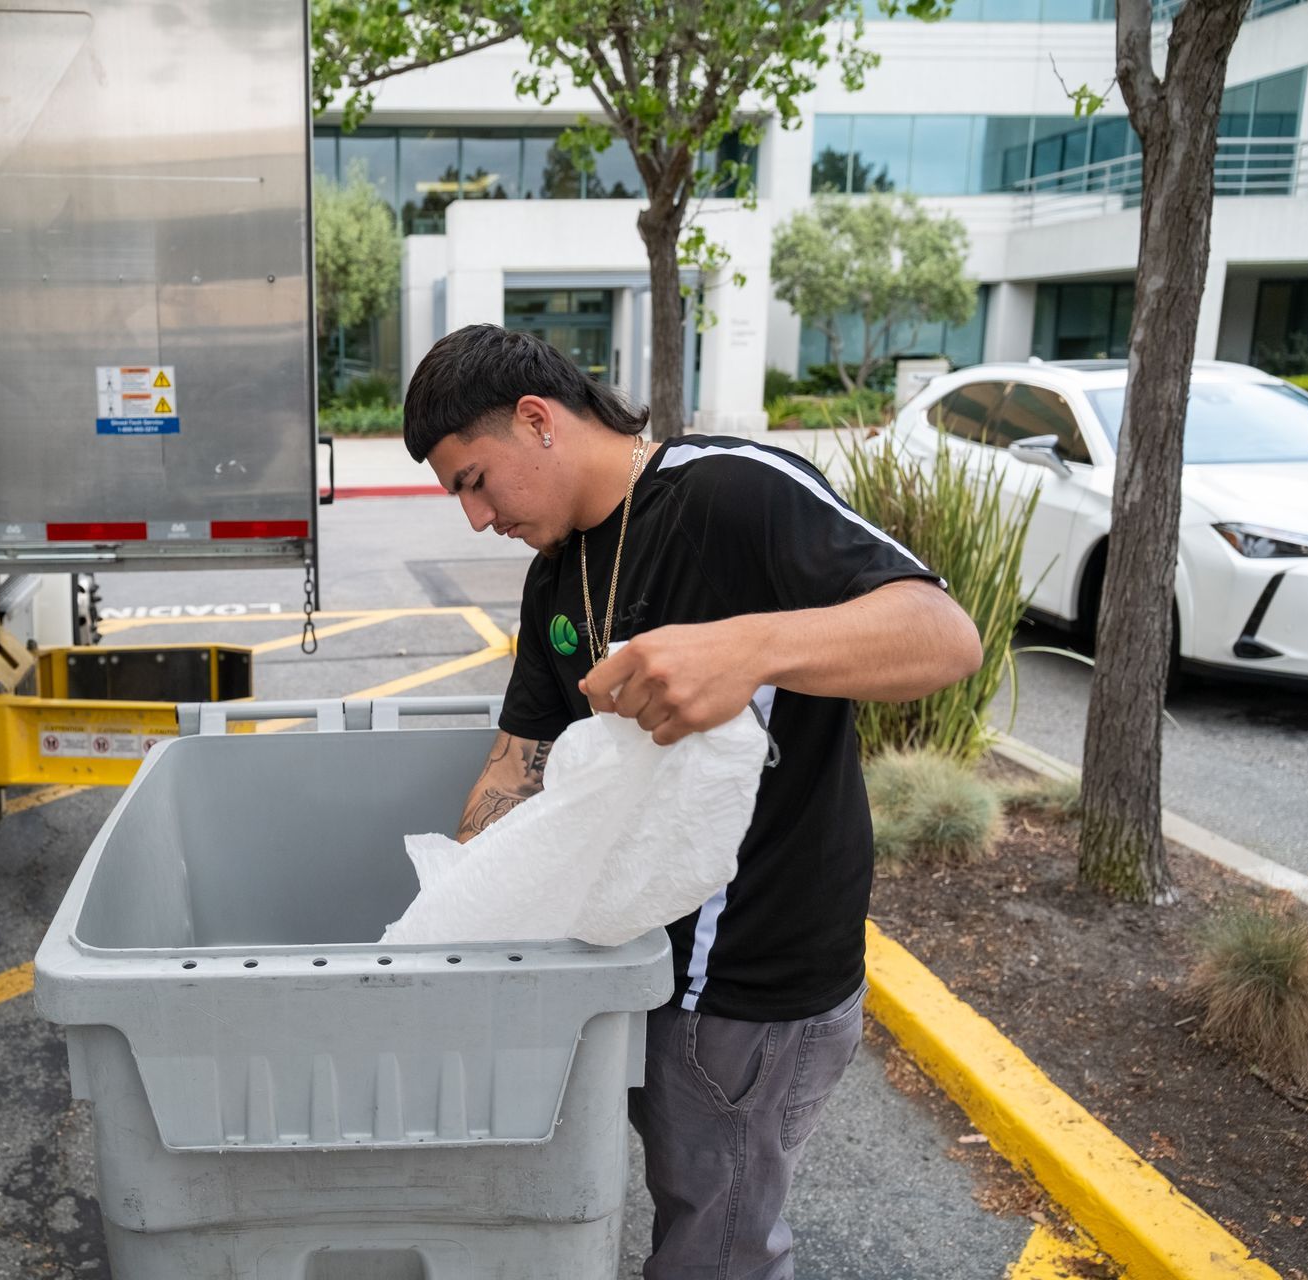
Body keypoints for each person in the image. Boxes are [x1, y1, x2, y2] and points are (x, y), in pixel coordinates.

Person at [403, 325, 982, 1279]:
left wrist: (752, 647)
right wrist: (451, 934)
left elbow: (943, 636)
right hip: (630, 974)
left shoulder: (732, 492)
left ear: (538, 422)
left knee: (714, 1251)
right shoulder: (556, 574)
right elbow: (520, 763)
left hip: (749, 991)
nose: (474, 517)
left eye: (473, 480)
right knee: (672, 1210)